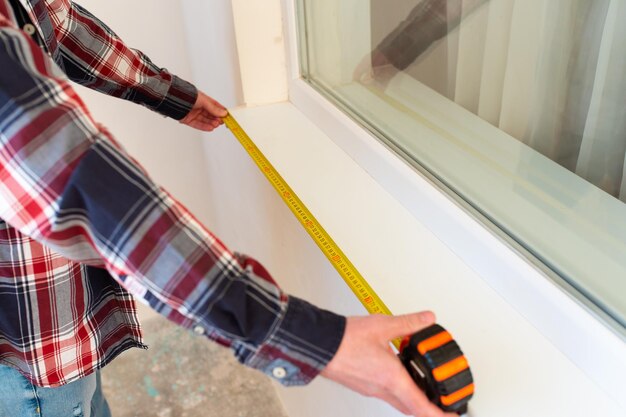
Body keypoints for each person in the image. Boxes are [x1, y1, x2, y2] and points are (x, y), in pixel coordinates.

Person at [0, 1, 456, 416]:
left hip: (60, 315)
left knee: (87, 400)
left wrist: (168, 93)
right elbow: (76, 178)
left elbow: (54, 22)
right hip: (24, 341)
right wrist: (306, 338)